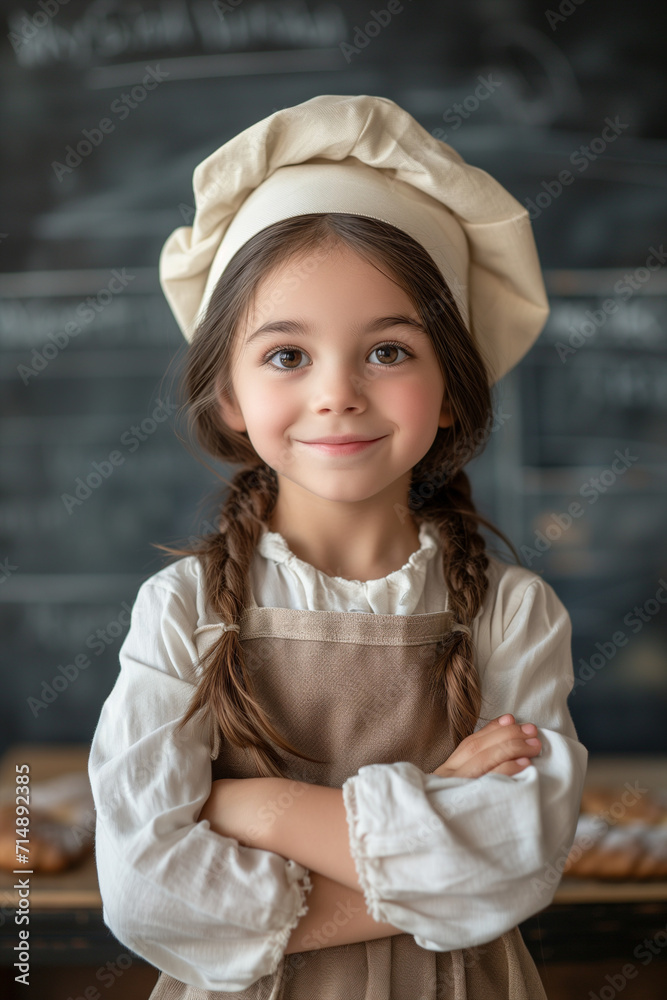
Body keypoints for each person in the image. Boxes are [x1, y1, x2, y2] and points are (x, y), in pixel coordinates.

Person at [87, 94, 588, 999]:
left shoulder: (512, 613)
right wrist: (435, 807)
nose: (337, 394)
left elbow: (516, 865)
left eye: (389, 351)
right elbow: (144, 892)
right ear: (229, 397)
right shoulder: (184, 610)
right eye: (286, 355)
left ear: (449, 391)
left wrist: (254, 808)